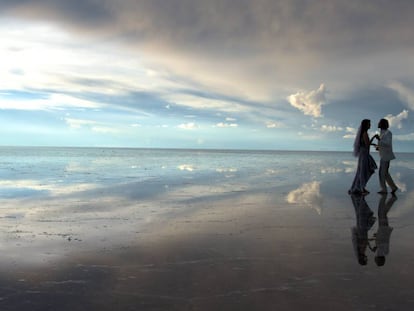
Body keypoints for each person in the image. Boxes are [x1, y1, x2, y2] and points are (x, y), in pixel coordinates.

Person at [349, 119, 377, 195]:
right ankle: (361, 188)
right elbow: (367, 144)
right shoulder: (364, 133)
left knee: (363, 170)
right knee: (365, 170)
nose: (370, 125)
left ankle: (360, 187)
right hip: (364, 154)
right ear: (366, 125)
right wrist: (373, 140)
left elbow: (366, 143)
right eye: (369, 124)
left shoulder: (363, 133)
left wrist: (373, 140)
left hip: (363, 153)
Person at [374, 118, 398, 194]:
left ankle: (384, 189)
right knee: (385, 173)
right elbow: (383, 144)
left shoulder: (388, 133)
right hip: (383, 155)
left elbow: (387, 144)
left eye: (379, 122)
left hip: (386, 156)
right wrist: (378, 147)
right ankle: (393, 187)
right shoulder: (382, 133)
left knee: (382, 173)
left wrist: (379, 140)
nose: (378, 123)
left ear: (382, 124)